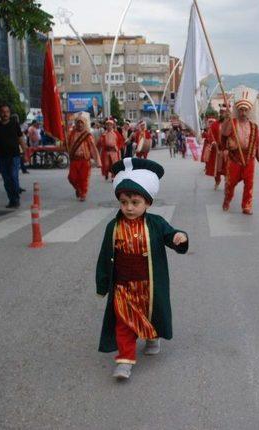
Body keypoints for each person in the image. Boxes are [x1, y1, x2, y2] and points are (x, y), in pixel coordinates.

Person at [96, 157, 189, 380]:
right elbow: (104, 256)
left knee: (151, 313)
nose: (129, 207)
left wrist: (178, 237)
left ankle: (152, 336)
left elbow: (170, 235)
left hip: (149, 284)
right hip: (123, 286)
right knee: (124, 322)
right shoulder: (114, 226)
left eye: (135, 202)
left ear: (147, 203)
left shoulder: (156, 223)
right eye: (124, 202)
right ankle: (125, 361)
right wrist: (102, 283)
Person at [219, 92, 259, 215]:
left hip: (249, 158)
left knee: (249, 183)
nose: (243, 113)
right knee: (230, 184)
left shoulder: (254, 127)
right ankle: (227, 200)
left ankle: (247, 206)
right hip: (234, 158)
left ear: (249, 111)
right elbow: (223, 133)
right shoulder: (232, 123)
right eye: (241, 110)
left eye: (245, 110)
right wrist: (227, 119)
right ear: (237, 110)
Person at [0, 105, 27, 208]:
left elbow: (21, 139)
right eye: (3, 112)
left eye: (7, 112)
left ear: (9, 113)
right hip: (2, 156)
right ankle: (12, 200)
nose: (5, 114)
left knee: (14, 177)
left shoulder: (14, 124)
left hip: (14, 156)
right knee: (6, 180)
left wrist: (25, 153)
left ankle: (16, 199)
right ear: (0, 113)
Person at [65, 111, 101, 201]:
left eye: (81, 123)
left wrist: (97, 161)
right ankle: (78, 189)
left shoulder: (87, 135)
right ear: (76, 124)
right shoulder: (71, 134)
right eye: (78, 122)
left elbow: (93, 148)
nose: (80, 124)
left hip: (85, 160)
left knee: (83, 178)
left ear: (84, 124)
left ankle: (83, 193)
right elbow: (67, 145)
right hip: (74, 160)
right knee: (71, 178)